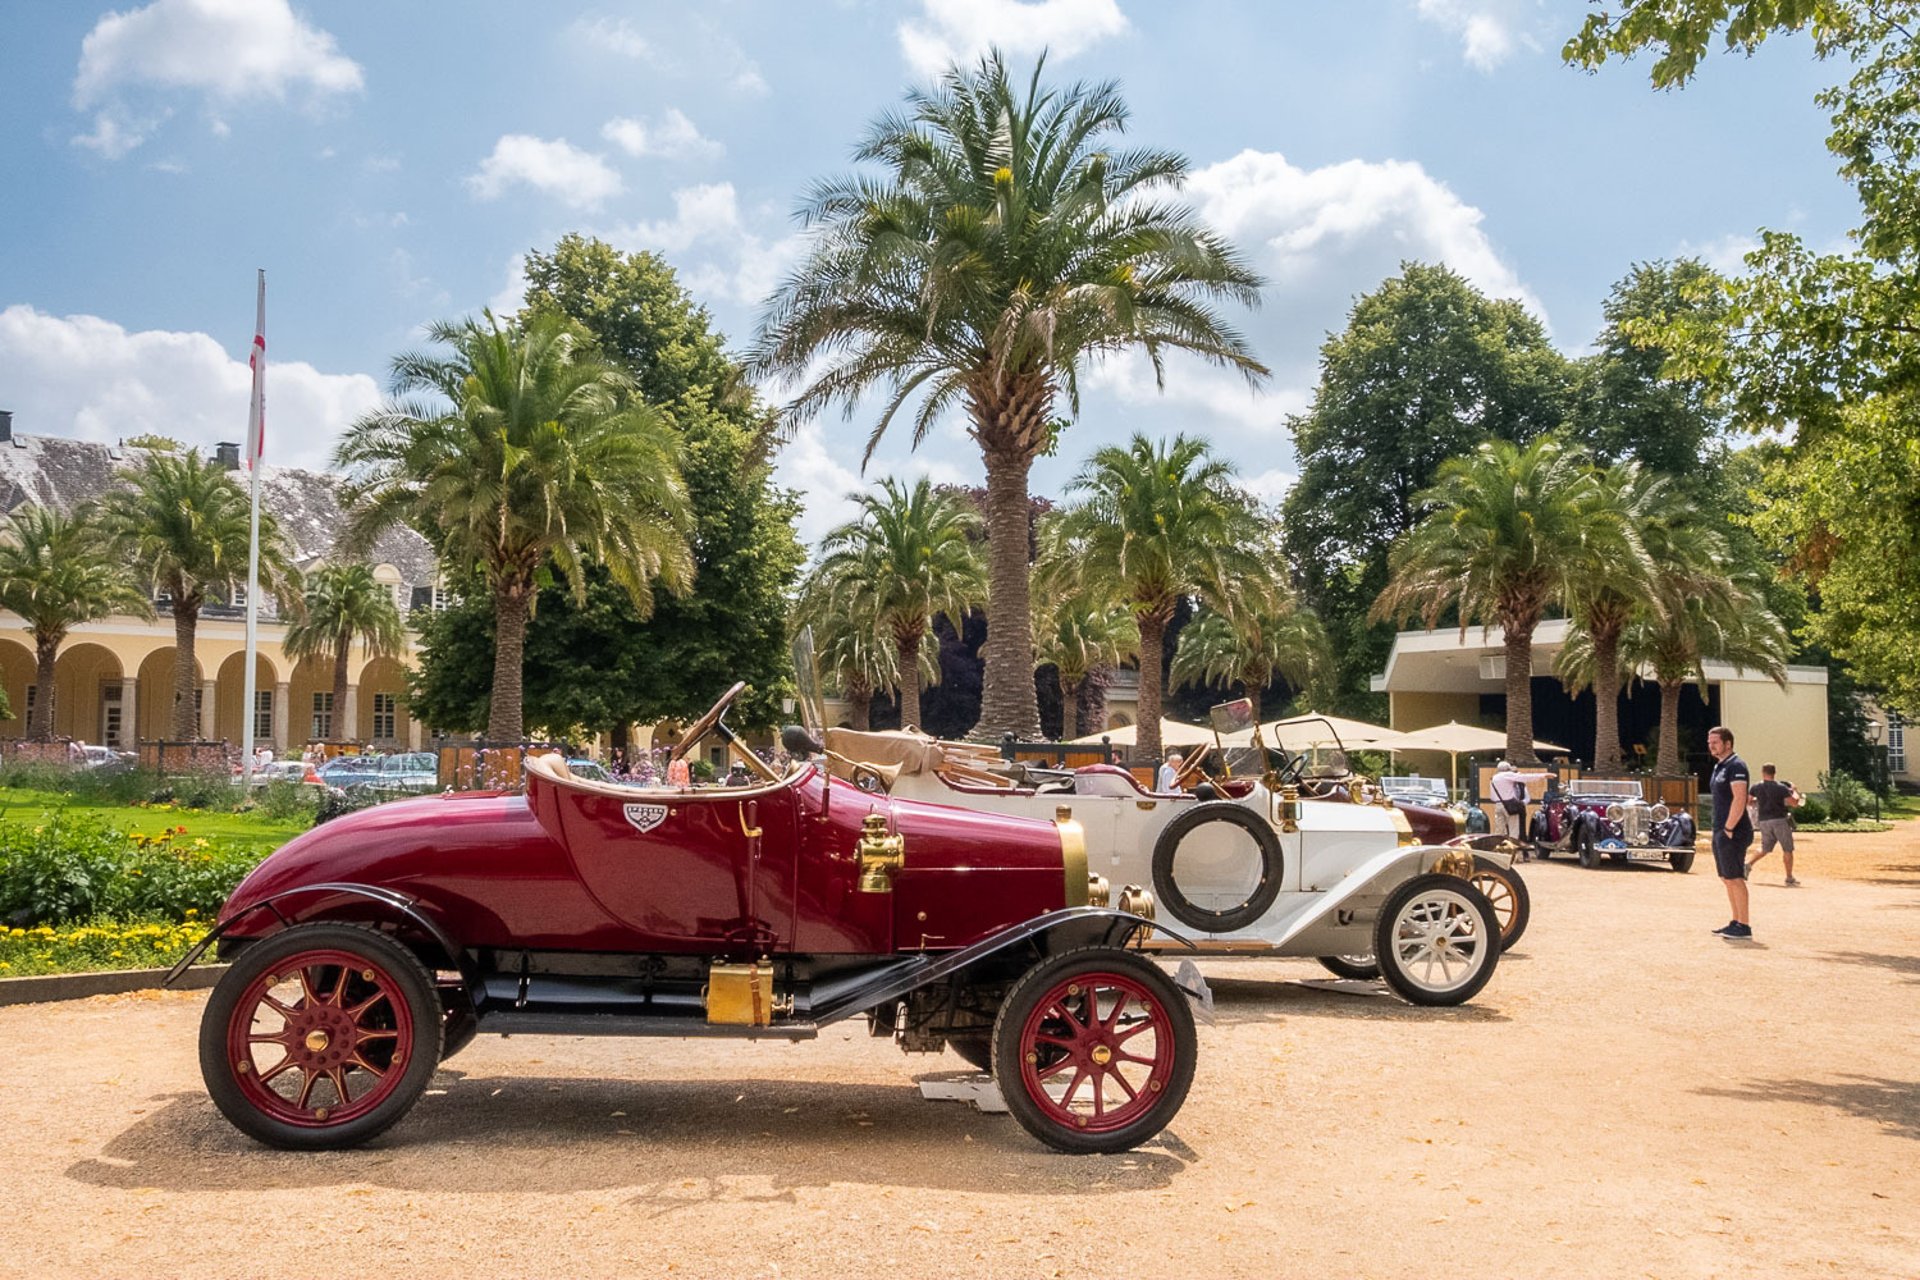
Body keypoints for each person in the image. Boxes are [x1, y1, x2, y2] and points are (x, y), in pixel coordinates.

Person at [1707, 725, 1754, 939]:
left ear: (1728, 743)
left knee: (1735, 877)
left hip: (1733, 831)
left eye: (1715, 742)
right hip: (1720, 829)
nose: (1711, 746)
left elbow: (1740, 797)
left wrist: (1729, 828)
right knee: (1726, 877)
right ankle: (1735, 921)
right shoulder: (1720, 766)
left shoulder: (1737, 766)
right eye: (1710, 743)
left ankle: (1744, 925)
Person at [1746, 763, 1803, 886]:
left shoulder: (1756, 787)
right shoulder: (1781, 787)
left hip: (1763, 821)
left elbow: (1748, 802)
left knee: (1765, 847)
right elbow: (1793, 802)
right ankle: (1789, 878)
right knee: (1787, 849)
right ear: (1774, 773)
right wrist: (1795, 791)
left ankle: (1748, 864)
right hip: (1779, 820)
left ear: (1763, 772)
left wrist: (1758, 801)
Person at [1488, 760, 1552, 851]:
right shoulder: (1507, 775)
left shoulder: (1493, 778)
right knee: (1514, 831)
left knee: (1499, 831)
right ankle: (1512, 852)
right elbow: (1525, 777)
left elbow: (1492, 797)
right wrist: (1543, 775)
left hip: (1498, 805)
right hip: (1510, 805)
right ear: (1507, 769)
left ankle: (1497, 851)